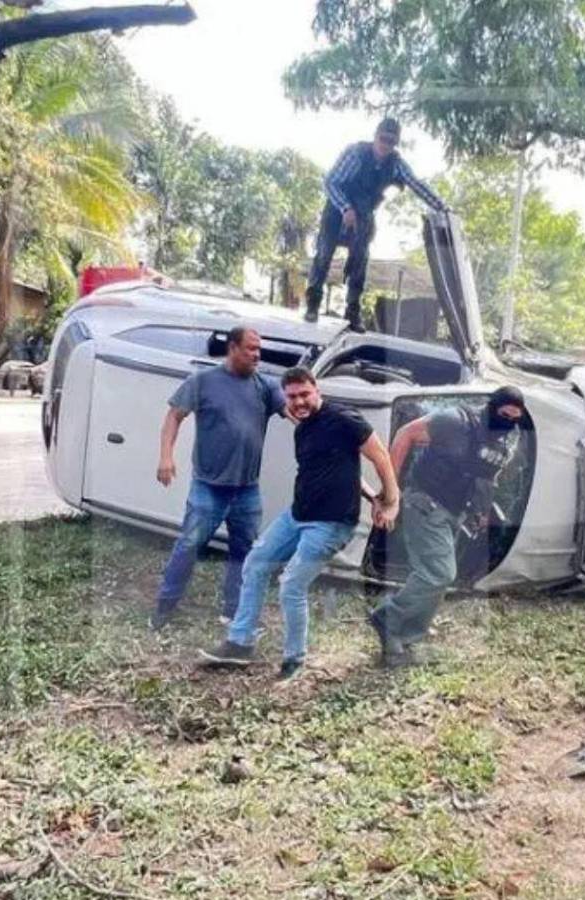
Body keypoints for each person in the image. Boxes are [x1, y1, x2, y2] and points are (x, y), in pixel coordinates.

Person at [200, 367, 400, 681]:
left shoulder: (345, 419)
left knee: (292, 585)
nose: (299, 402)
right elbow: (341, 469)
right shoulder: (303, 428)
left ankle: (294, 660)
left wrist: (390, 500)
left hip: (331, 523)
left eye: (304, 394)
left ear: (316, 389)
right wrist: (370, 494)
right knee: (255, 563)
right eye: (292, 397)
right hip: (298, 515)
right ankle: (240, 643)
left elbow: (381, 457)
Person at [368, 387, 527, 668]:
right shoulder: (455, 421)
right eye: (504, 415)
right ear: (492, 408)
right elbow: (406, 434)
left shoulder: (503, 440)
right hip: (425, 502)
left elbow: (487, 476)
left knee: (436, 576)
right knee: (439, 574)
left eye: (515, 418)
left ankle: (407, 636)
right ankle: (387, 618)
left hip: (455, 511)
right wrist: (390, 491)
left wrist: (482, 511)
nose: (509, 423)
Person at [150, 326, 288, 630]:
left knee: (244, 552)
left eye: (259, 349)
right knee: (188, 546)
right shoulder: (203, 382)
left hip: (247, 490)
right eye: (250, 348)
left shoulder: (265, 386)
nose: (257, 355)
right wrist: (165, 456)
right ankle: (164, 608)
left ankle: (232, 610)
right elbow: (174, 415)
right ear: (233, 348)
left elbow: (291, 409)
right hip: (208, 488)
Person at [304, 117, 449, 332]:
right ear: (375, 136)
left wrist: (441, 207)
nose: (386, 146)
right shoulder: (356, 154)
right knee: (324, 255)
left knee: (360, 261)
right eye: (383, 139)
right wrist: (345, 208)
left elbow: (416, 184)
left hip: (364, 214)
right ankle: (313, 305)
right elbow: (329, 182)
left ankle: (352, 312)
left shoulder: (396, 164)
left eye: (392, 142)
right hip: (337, 209)